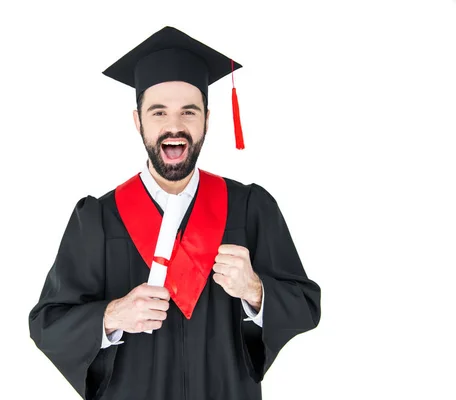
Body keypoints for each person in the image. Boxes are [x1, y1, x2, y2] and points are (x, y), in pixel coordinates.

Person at [28, 26, 321, 400]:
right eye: (158, 112)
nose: (174, 126)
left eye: (188, 111)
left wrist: (255, 290)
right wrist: (112, 316)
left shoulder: (249, 208)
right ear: (138, 122)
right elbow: (47, 325)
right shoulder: (99, 219)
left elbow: (307, 306)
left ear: (207, 120)